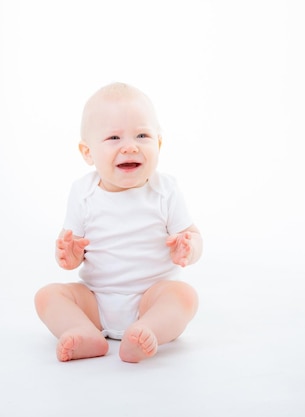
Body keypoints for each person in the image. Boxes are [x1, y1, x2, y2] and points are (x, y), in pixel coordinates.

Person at [34, 82, 202, 363]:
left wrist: (189, 247)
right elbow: (70, 248)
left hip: (151, 299)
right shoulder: (83, 193)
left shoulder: (165, 190)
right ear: (87, 152)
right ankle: (83, 331)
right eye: (114, 138)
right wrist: (68, 256)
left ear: (159, 143)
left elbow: (192, 235)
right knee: (47, 296)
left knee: (184, 296)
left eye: (142, 135)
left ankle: (148, 330)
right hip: (95, 300)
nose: (130, 147)